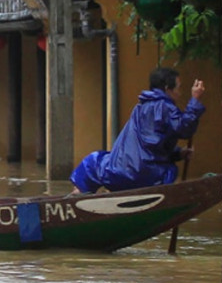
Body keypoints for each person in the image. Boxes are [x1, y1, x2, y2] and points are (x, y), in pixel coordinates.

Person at [71, 67, 205, 194]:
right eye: (178, 88)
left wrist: (178, 154)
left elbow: (151, 145)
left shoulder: (141, 107)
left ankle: (78, 194)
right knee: (169, 170)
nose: (180, 93)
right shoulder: (165, 107)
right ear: (167, 89)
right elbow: (185, 128)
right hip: (148, 175)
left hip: (121, 171)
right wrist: (195, 99)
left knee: (93, 162)